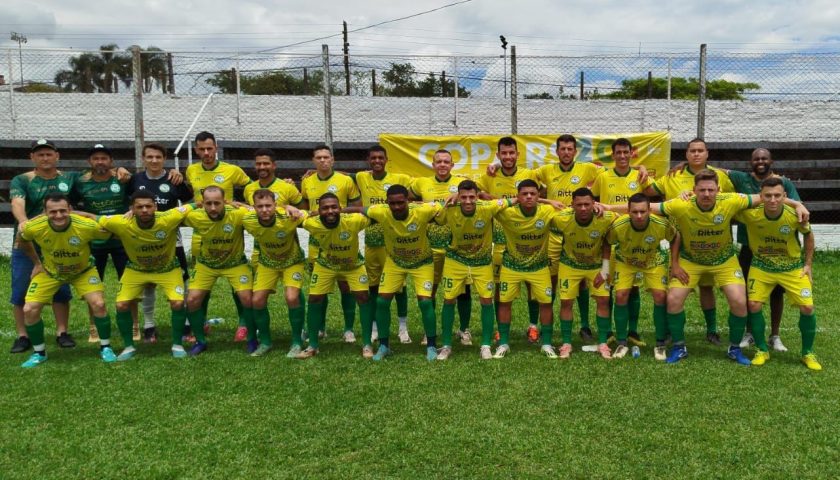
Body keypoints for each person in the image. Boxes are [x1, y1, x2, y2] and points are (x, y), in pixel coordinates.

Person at [613, 169, 808, 365]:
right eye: (702, 190)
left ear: (718, 190)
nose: (706, 194)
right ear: (694, 190)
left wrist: (797, 204)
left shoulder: (730, 200)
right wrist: (605, 206)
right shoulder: (681, 204)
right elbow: (647, 207)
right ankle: (679, 347)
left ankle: (734, 348)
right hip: (691, 260)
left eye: (711, 190)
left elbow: (767, 196)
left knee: (739, 301)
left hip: (724, 261)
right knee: (673, 299)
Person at [644, 137, 735, 345]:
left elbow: (732, 198)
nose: (696, 154)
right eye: (692, 151)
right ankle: (670, 331)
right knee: (673, 288)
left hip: (709, 242)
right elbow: (648, 191)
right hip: (678, 242)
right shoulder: (673, 175)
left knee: (706, 287)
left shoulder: (720, 176)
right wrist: (640, 170)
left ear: (707, 153)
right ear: (686, 154)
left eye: (700, 150)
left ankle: (712, 330)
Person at [16, 193, 116, 367]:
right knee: (29, 309)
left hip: (83, 271)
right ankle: (39, 353)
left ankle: (106, 347)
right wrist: (37, 263)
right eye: (53, 212)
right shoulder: (33, 227)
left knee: (99, 304)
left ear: (70, 209)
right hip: (51, 272)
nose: (59, 215)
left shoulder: (85, 225)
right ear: (45, 212)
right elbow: (22, 240)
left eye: (63, 210)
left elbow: (113, 232)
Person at [94, 190, 194, 360]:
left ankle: (177, 345)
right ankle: (128, 347)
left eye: (148, 206)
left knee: (178, 303)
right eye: (139, 207)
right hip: (136, 270)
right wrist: (69, 213)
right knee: (121, 305)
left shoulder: (169, 217)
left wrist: (230, 203)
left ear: (156, 207)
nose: (145, 210)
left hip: (168, 269)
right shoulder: (121, 222)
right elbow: (93, 217)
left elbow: (195, 205)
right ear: (132, 209)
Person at [733, 177, 821, 370]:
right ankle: (762, 350)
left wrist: (808, 265)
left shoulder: (794, 214)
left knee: (807, 308)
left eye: (777, 196)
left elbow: (808, 235)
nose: (772, 200)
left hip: (792, 268)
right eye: (768, 196)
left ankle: (807, 353)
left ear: (784, 196)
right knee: (754, 305)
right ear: (761, 196)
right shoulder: (750, 213)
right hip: (761, 266)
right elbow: (726, 203)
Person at [349, 184, 442, 361]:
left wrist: (454, 198)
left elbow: (442, 205)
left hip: (422, 263)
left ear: (408, 201)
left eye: (401, 202)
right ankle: (384, 346)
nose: (397, 207)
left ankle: (431, 345)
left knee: (425, 302)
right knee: (382, 301)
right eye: (392, 203)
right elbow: (359, 209)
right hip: (395, 262)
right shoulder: (380, 211)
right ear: (387, 203)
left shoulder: (422, 211)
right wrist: (335, 210)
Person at [8, 139, 81, 353]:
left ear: (57, 156)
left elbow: (95, 176)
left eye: (49, 154)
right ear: (32, 157)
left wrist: (119, 170)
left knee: (61, 288)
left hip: (58, 241)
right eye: (40, 154)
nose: (45, 158)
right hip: (26, 242)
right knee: (21, 289)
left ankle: (62, 332)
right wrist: (24, 222)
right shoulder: (22, 180)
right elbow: (17, 203)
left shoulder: (70, 178)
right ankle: (23, 336)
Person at [726, 148, 801, 352]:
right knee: (749, 293)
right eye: (756, 159)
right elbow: (715, 170)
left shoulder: (783, 182)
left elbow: (797, 206)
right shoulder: (741, 179)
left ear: (771, 161)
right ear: (751, 162)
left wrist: (798, 205)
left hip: (778, 249)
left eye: (764, 158)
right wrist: (684, 165)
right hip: (750, 246)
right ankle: (750, 332)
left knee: (776, 293)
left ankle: (775, 335)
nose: (760, 161)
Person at [184, 131, 252, 341]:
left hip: (229, 229)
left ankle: (244, 324)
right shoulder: (191, 170)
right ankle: (201, 322)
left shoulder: (232, 170)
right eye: (202, 149)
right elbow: (192, 196)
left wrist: (242, 203)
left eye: (209, 148)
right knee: (202, 283)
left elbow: (251, 187)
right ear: (196, 150)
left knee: (237, 283)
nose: (206, 153)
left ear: (216, 148)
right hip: (202, 230)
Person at [436, 180, 512, 360]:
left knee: (486, 300)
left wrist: (546, 201)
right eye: (463, 197)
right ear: (458, 196)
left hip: (482, 262)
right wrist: (448, 200)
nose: (468, 201)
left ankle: (485, 345)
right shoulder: (449, 208)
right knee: (448, 300)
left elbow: (515, 200)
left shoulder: (488, 207)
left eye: (472, 197)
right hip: (456, 260)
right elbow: (426, 210)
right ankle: (446, 345)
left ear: (477, 196)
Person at [476, 136, 542, 342]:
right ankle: (500, 328)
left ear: (517, 154)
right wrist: (486, 195)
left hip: (526, 240)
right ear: (498, 155)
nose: (508, 157)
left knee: (532, 286)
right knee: (500, 289)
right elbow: (474, 190)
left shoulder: (529, 174)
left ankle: (533, 326)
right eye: (503, 153)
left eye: (511, 152)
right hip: (499, 240)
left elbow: (539, 194)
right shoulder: (489, 176)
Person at [591, 138, 655, 348]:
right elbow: (593, 200)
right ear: (612, 154)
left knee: (633, 288)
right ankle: (609, 331)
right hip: (610, 239)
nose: (622, 156)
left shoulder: (640, 176)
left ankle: (633, 331)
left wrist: (642, 168)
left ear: (631, 153)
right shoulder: (603, 176)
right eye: (618, 152)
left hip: (634, 240)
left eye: (625, 152)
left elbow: (653, 197)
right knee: (609, 287)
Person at [127, 142, 193, 343]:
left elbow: (189, 201)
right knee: (148, 283)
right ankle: (149, 327)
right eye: (150, 157)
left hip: (172, 240)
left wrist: (179, 218)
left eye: (158, 157)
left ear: (164, 159)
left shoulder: (174, 179)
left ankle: (186, 324)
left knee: (182, 280)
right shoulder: (135, 179)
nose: (154, 160)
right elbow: (128, 203)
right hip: (144, 241)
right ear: (143, 159)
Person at [72, 144, 135, 343]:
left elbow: (137, 200)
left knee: (129, 283)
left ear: (111, 161)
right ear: (89, 162)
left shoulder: (122, 178)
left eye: (104, 158)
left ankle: (134, 325)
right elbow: (69, 207)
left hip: (121, 240)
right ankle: (94, 328)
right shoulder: (81, 182)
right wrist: (89, 218)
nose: (100, 162)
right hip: (94, 242)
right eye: (96, 158)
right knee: (93, 287)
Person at [297, 193, 373, 358]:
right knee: (314, 299)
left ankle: (367, 344)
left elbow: (375, 213)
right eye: (325, 208)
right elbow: (295, 215)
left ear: (340, 208)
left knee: (363, 297)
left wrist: (353, 209)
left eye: (334, 207)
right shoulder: (311, 223)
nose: (330, 211)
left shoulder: (354, 221)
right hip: (326, 265)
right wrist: (291, 208)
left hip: (353, 265)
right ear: (319, 211)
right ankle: (312, 346)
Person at [492, 180, 561, 359]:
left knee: (546, 303)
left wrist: (547, 201)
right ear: (518, 196)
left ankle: (546, 344)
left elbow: (573, 211)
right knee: (504, 303)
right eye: (524, 194)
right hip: (511, 266)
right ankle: (503, 343)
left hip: (539, 267)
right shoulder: (507, 213)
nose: (529, 197)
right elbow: (484, 205)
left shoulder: (548, 211)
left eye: (533, 194)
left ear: (539, 196)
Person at [299, 145, 362, 342]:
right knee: (320, 288)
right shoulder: (307, 182)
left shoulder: (345, 180)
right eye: (319, 157)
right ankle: (320, 328)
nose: (323, 160)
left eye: (326, 157)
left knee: (346, 286)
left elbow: (357, 207)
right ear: (313, 160)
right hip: (317, 241)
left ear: (332, 160)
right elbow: (304, 208)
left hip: (342, 239)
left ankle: (348, 329)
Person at [410, 149, 473, 345]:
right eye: (439, 161)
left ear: (452, 165)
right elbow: (406, 198)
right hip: (430, 247)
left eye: (446, 162)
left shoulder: (461, 182)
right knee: (430, 290)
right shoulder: (421, 183)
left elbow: (478, 194)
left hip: (457, 247)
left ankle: (464, 330)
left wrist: (458, 194)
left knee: (463, 290)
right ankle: (429, 330)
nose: (443, 165)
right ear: (433, 164)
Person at [183, 186, 253, 356]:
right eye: (208, 203)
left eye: (217, 203)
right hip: (207, 265)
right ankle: (200, 341)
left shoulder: (238, 214)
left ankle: (252, 339)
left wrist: (244, 205)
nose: (213, 208)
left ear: (225, 202)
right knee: (192, 300)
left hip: (235, 264)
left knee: (248, 299)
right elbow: (168, 216)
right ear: (203, 203)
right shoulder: (194, 216)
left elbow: (263, 211)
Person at [605, 193, 677, 360]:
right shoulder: (618, 225)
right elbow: (607, 242)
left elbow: (675, 238)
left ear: (650, 210)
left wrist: (675, 263)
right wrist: (605, 268)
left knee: (660, 295)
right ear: (628, 211)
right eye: (635, 212)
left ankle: (660, 343)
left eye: (643, 212)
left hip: (653, 261)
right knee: (621, 295)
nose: (639, 216)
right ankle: (622, 342)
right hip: (626, 261)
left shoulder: (661, 224)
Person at [353, 145, 413, 343]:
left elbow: (417, 191)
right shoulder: (361, 177)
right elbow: (342, 176)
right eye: (373, 158)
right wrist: (312, 171)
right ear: (368, 160)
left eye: (380, 158)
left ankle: (403, 327)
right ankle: (375, 327)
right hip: (372, 241)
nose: (377, 161)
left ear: (387, 160)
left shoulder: (400, 179)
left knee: (400, 288)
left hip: (394, 241)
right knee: (373, 286)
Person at [553, 188, 617, 359]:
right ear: (572, 205)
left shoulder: (606, 218)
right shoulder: (561, 219)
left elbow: (608, 241)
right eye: (579, 204)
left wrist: (605, 270)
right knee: (566, 302)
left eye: (587, 204)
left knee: (603, 300)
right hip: (570, 264)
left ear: (594, 204)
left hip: (596, 265)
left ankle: (602, 343)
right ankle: (566, 343)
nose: (583, 208)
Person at [243, 189, 307, 357]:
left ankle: (297, 341)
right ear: (254, 207)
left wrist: (290, 207)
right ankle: (265, 342)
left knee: (292, 297)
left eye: (268, 206)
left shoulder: (288, 216)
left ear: (275, 205)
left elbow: (310, 214)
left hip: (292, 262)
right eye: (260, 206)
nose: (264, 210)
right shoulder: (247, 219)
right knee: (257, 300)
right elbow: (231, 206)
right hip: (267, 264)